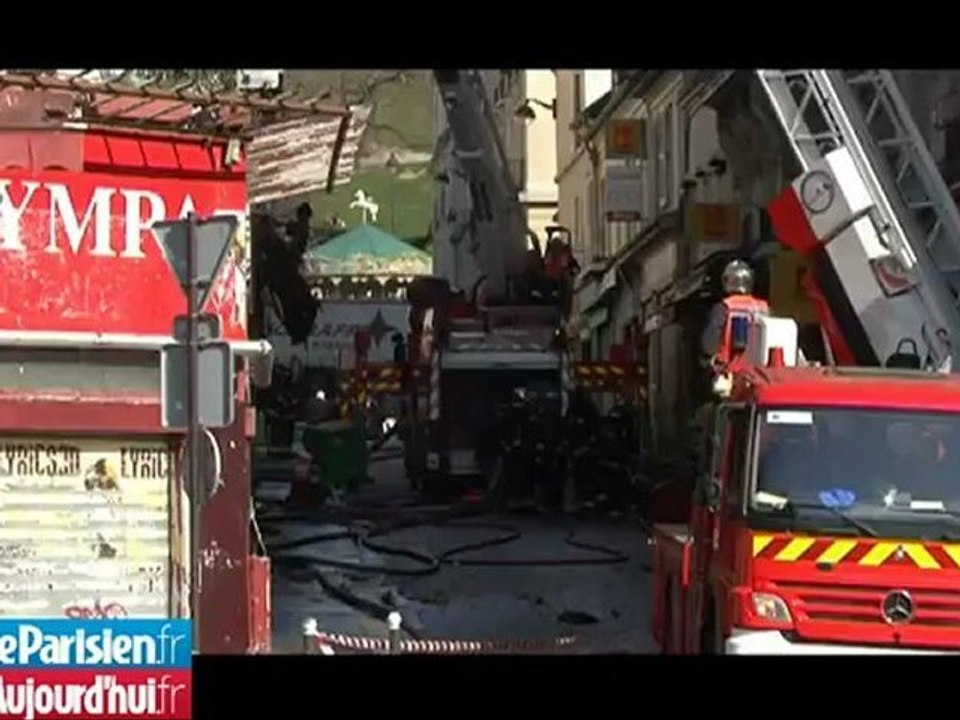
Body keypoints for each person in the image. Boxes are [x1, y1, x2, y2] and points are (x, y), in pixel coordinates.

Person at [700, 260, 769, 374]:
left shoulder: (724, 307)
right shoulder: (763, 307)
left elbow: (708, 345)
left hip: (729, 370)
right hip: (759, 372)